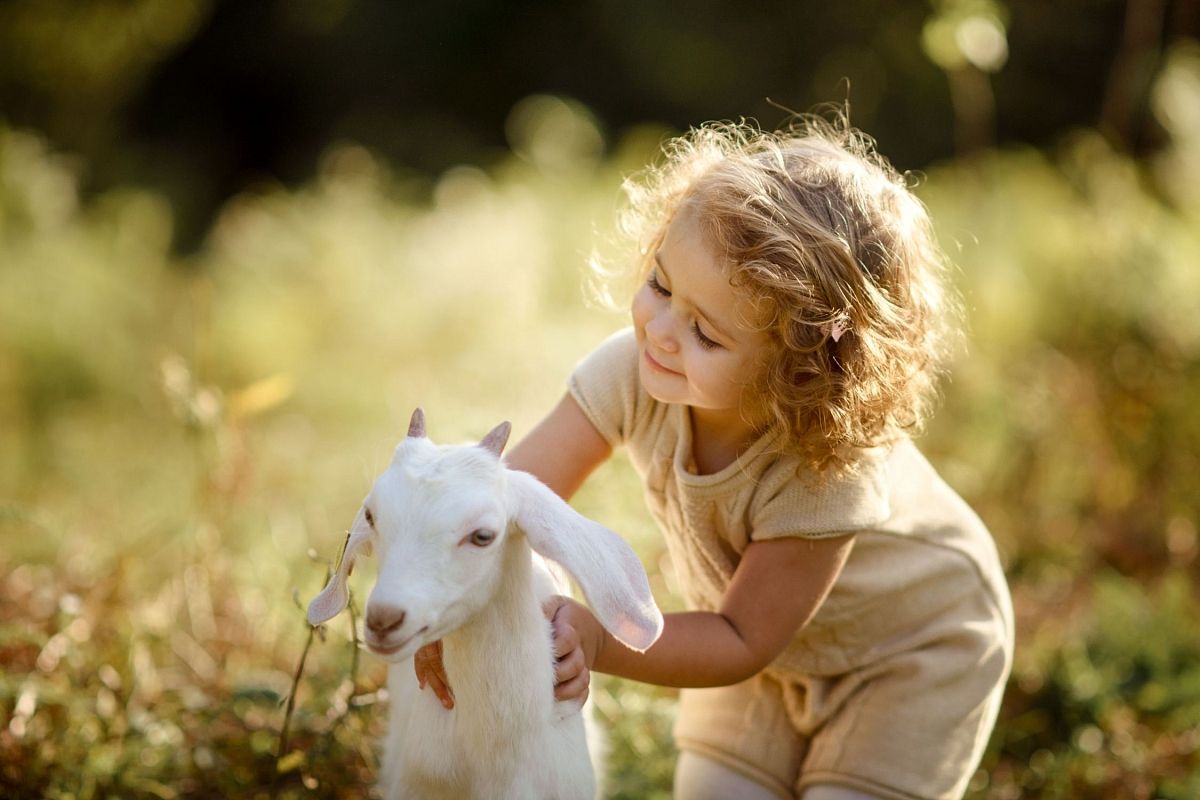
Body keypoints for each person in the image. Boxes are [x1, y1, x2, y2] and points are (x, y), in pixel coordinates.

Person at [415, 115, 1013, 800]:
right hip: (752, 646)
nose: (662, 334)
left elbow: (740, 638)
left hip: (909, 651)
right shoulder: (629, 372)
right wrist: (444, 590)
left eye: (705, 332)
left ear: (801, 371)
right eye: (663, 287)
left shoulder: (824, 469)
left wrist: (602, 640)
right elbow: (510, 495)